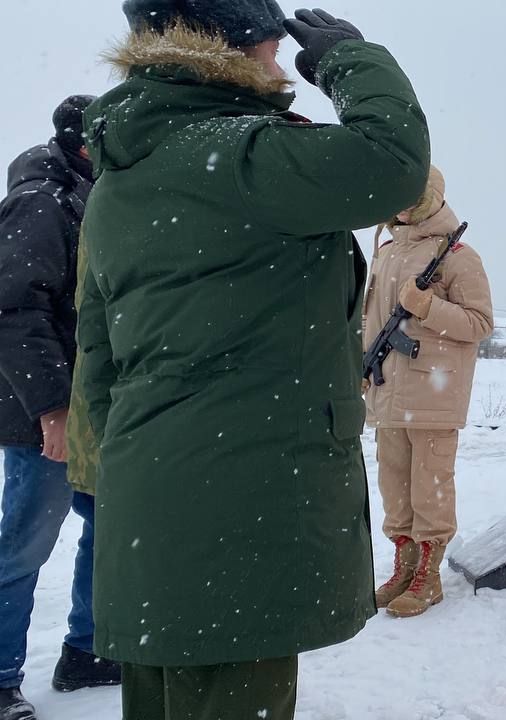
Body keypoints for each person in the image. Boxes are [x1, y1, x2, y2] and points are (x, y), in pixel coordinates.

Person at [76, 1, 429, 717]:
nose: (282, 69)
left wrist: (132, 459)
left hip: (154, 493)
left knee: (166, 696)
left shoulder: (122, 177)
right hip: (240, 499)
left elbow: (97, 346)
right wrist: (348, 60)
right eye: (274, 52)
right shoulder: (240, 156)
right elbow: (392, 166)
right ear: (230, 49)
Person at [0, 95, 121, 720]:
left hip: (92, 408)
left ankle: (88, 652)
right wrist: (52, 410)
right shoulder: (40, 202)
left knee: (107, 532)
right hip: (42, 415)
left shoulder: (91, 195)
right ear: (84, 143)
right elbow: (16, 310)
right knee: (24, 545)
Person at [363, 165, 493, 618]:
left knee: (429, 489)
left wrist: (429, 307)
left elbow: (480, 324)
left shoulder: (457, 255)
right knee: (394, 490)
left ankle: (428, 577)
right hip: (386, 394)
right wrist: (361, 366)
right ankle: (403, 568)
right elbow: (371, 326)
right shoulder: (385, 253)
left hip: (433, 398)